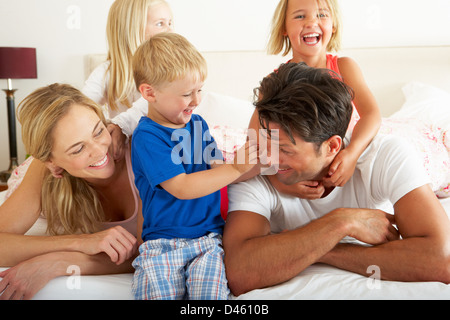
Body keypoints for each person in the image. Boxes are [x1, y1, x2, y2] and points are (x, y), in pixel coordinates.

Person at [223, 62, 450, 296]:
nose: (269, 157)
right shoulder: (255, 165)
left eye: (285, 150)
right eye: (266, 143)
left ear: (332, 146)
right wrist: (341, 222)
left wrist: (327, 250)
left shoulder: (383, 156)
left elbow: (441, 260)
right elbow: (240, 272)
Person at [130, 33, 259, 300]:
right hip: (161, 245)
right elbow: (182, 187)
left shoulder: (198, 124)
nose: (197, 100)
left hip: (208, 241)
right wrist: (235, 168)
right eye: (187, 94)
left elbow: (218, 172)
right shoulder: (147, 137)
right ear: (149, 93)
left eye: (200, 90)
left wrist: (258, 163)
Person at [0, 84, 140, 300]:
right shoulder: (42, 168)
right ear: (51, 162)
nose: (99, 150)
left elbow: (152, 250)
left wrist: (59, 262)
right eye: (78, 149)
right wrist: (81, 242)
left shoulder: (143, 152)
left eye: (98, 131)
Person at [250, 0, 381, 199]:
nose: (311, 23)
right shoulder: (274, 83)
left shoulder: (344, 67)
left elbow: (371, 114)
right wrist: (280, 184)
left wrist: (352, 154)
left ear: (333, 25)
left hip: (343, 167)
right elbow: (254, 140)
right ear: (284, 27)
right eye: (300, 16)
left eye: (321, 15)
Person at [83, 0, 173, 157]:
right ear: (131, 30)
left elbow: (152, 102)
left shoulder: (171, 67)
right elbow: (81, 106)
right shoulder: (107, 72)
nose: (170, 30)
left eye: (171, 23)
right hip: (127, 147)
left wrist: (121, 124)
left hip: (165, 143)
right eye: (160, 24)